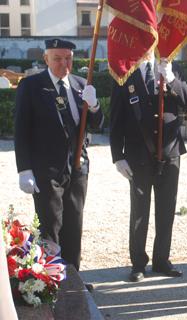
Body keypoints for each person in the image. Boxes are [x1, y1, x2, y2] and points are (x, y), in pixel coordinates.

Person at [14, 38, 104, 271]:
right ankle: (50, 278)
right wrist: (24, 169)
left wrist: (94, 106)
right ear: (46, 59)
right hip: (46, 169)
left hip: (77, 167)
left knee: (74, 223)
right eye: (57, 58)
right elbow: (21, 129)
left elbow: (96, 125)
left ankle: (73, 277)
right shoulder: (32, 86)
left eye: (68, 59)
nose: (64, 63)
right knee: (50, 224)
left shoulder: (81, 84)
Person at [109, 50, 187, 282]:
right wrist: (118, 156)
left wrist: (172, 80)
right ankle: (138, 263)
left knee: (166, 209)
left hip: (169, 152)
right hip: (138, 155)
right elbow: (116, 118)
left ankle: (162, 259)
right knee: (139, 211)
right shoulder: (126, 74)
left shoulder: (173, 69)